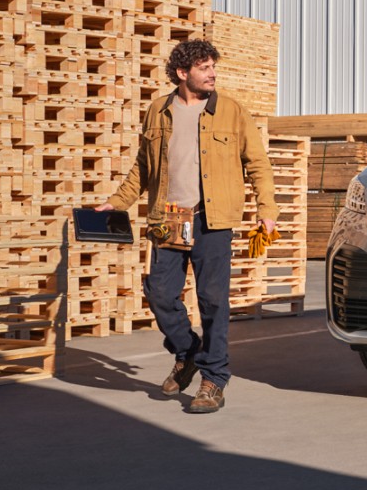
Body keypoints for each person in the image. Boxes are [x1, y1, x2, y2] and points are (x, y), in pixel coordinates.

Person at [98, 39, 278, 413]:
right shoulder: (159, 111)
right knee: (161, 293)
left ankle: (214, 379)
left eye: (213, 66)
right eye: (204, 67)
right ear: (183, 73)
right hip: (171, 217)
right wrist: (116, 202)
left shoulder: (231, 111)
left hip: (213, 218)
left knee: (213, 301)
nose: (212, 73)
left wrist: (268, 209)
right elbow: (142, 169)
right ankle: (188, 353)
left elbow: (258, 164)